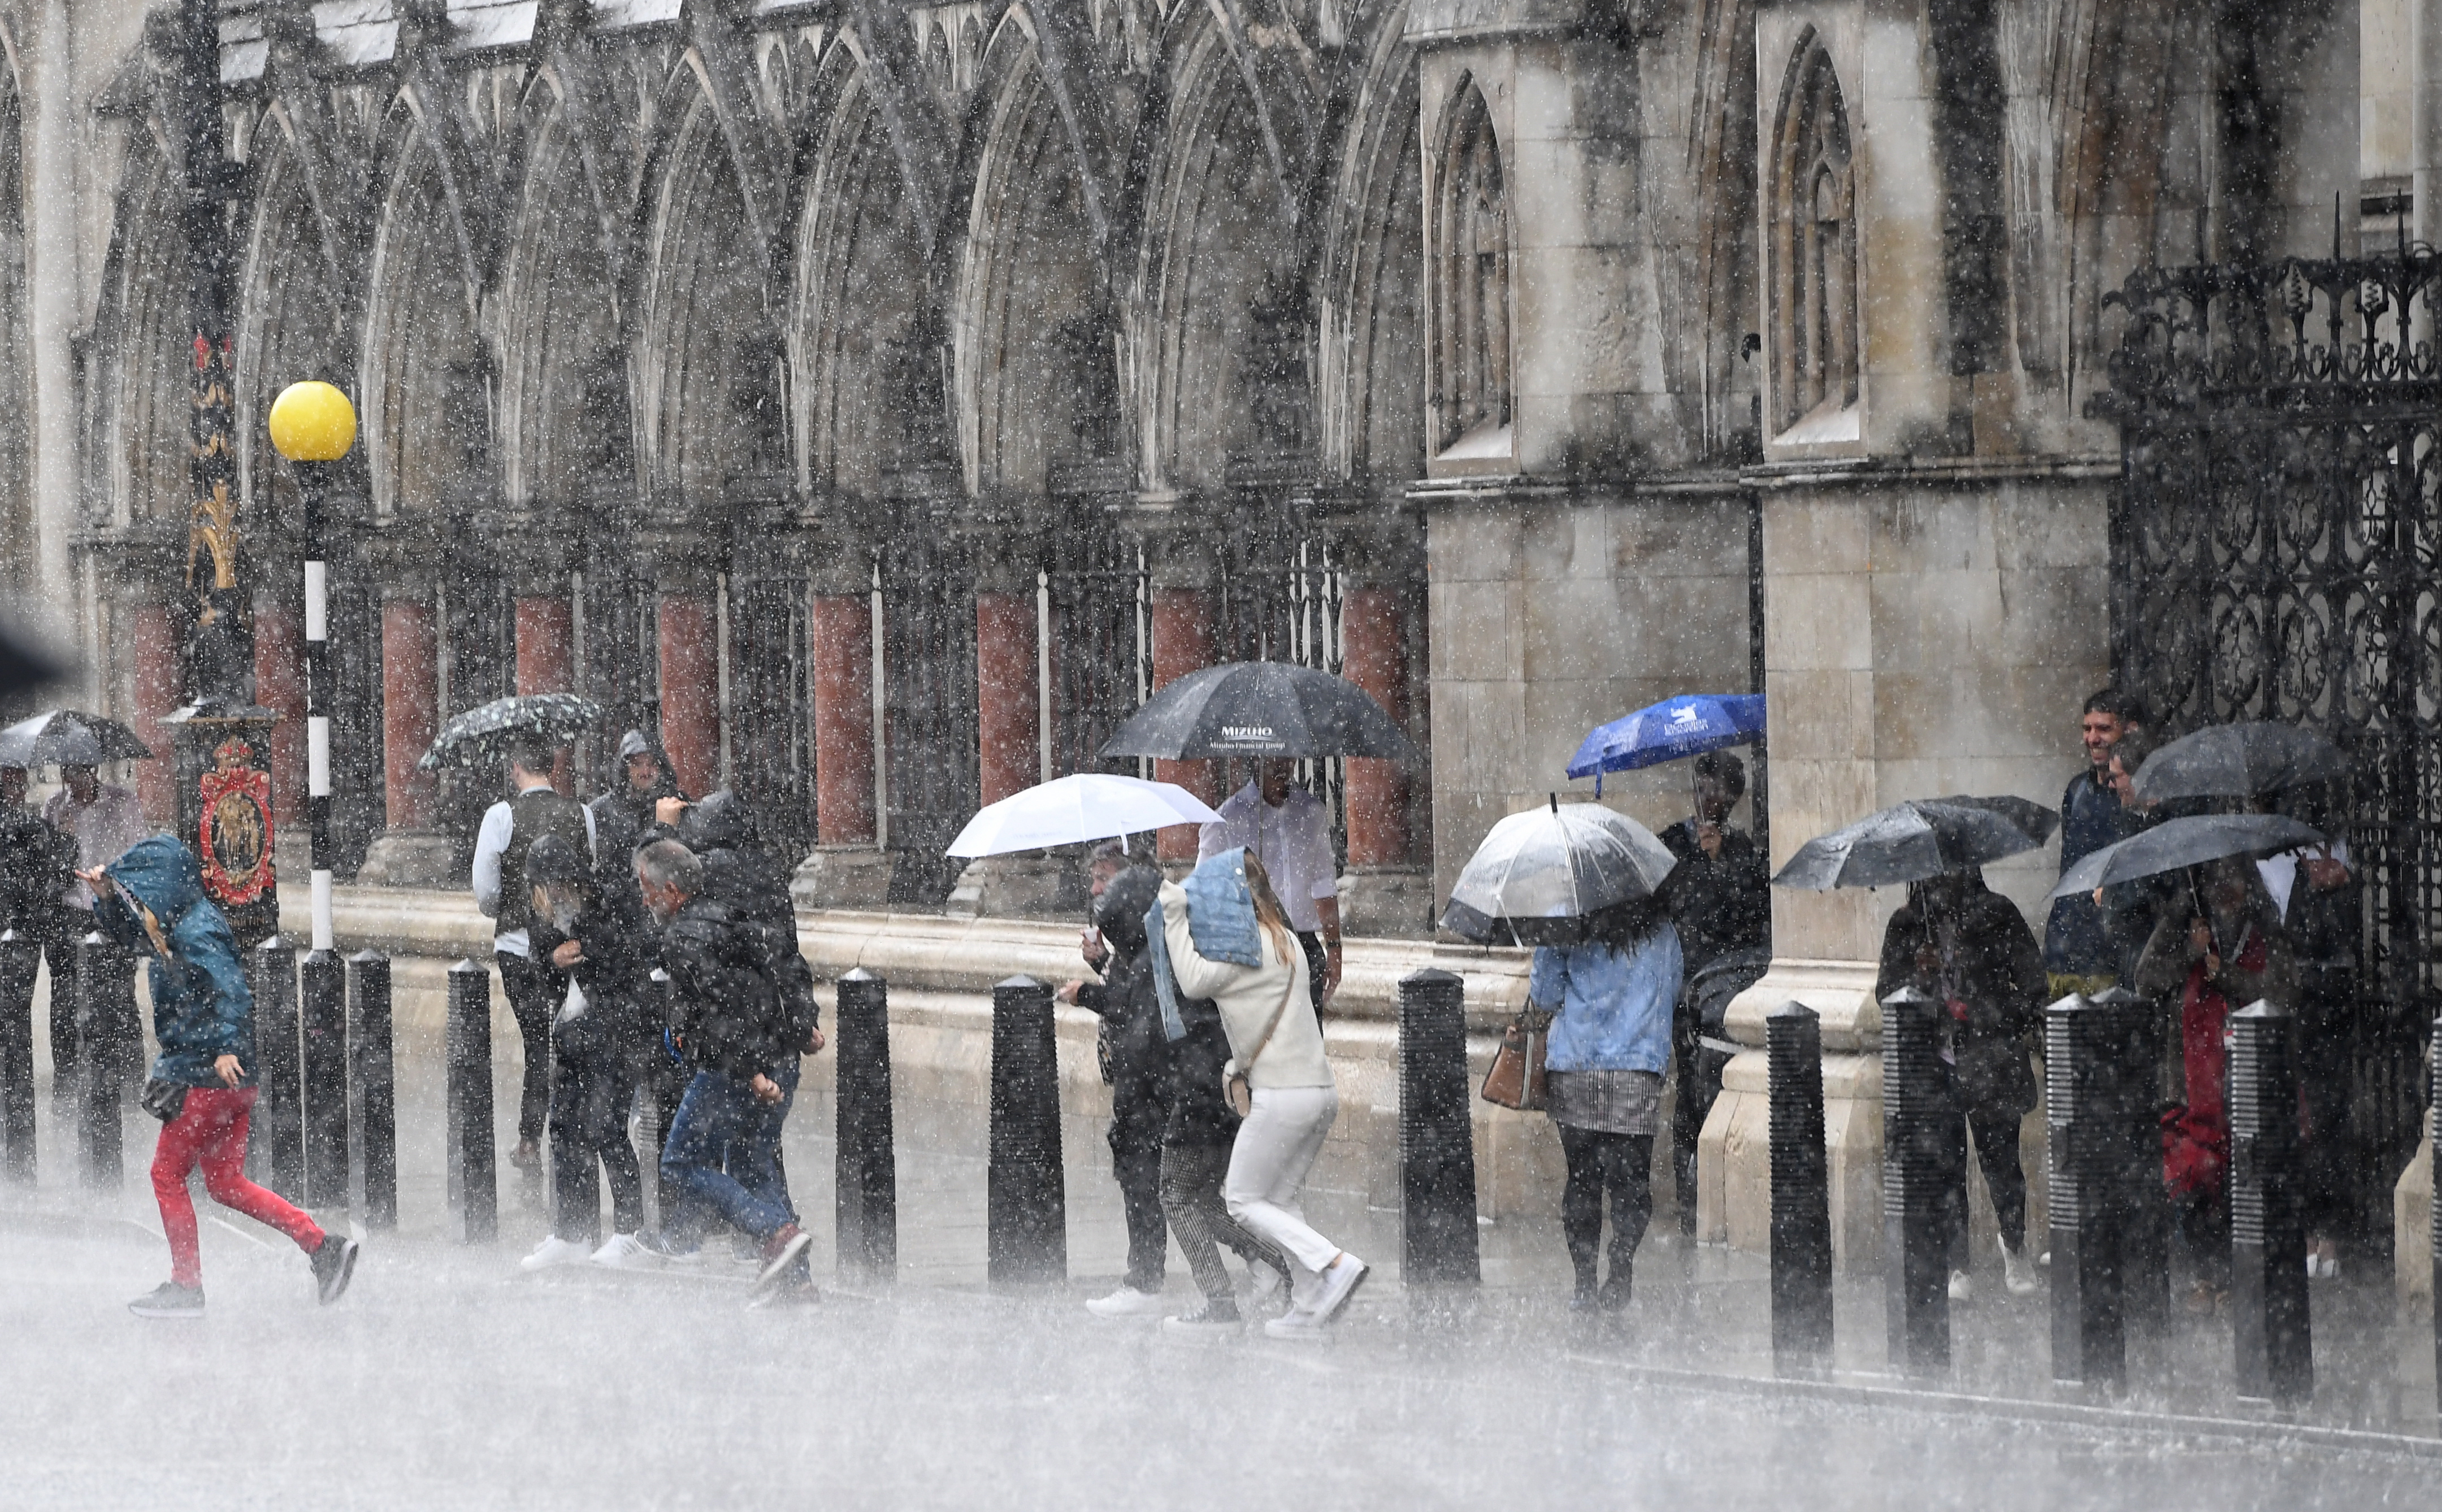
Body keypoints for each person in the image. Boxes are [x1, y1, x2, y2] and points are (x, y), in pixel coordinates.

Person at [80, 837, 358, 1318]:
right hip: (225, 1079)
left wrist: (227, 1047)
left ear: (165, 884)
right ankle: (322, 1247)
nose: (138, 899)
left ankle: (186, 1286)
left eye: (140, 889)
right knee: (226, 1183)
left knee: (165, 1175)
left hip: (207, 1073)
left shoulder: (195, 930)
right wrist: (107, 897)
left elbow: (231, 985)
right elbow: (131, 939)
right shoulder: (177, 922)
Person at [1156, 849, 1365, 1339]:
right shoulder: (1287, 939)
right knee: (1281, 1199)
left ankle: (1331, 1265)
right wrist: (1238, 1063)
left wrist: (1173, 913)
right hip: (1319, 1092)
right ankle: (1311, 1303)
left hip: (1282, 1097)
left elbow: (1190, 981)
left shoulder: (1244, 951)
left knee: (1243, 1201)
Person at [637, 838, 822, 1296]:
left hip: (732, 1068)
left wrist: (752, 1073)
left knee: (679, 1162)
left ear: (673, 891)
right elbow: (787, 960)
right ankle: (797, 1284)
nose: (645, 900)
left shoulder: (682, 937)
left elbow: (723, 1008)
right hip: (776, 1054)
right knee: (754, 1160)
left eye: (648, 890)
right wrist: (804, 1027)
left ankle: (775, 1235)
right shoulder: (731, 913)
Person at [1875, 867, 2046, 1301]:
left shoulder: (1996, 914)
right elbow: (1887, 994)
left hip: (1991, 1062)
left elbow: (2031, 986)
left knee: (2002, 1164)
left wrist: (1986, 1011)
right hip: (1937, 1065)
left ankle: (2014, 1244)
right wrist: (1921, 977)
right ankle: (1957, 1263)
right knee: (1946, 1168)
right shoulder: (1908, 924)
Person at [2137, 855, 2296, 1312]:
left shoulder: (2266, 925)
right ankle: (2204, 1275)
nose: (2229, 893)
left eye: (2237, 884)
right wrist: (2190, 949)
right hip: (2188, 1079)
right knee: (2192, 1183)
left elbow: (2283, 991)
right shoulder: (2181, 919)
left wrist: (2224, 975)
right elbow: (2145, 979)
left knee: (2239, 1182)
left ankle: (2237, 1277)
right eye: (2219, 883)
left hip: (2245, 1076)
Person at [1528, 897, 1682, 1311]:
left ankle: (1583, 1283)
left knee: (1582, 1178)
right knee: (1630, 1183)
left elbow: (1544, 994)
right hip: (1635, 1069)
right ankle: (1620, 1267)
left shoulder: (1566, 916)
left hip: (1575, 1065)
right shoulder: (1660, 928)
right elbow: (1671, 990)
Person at [519, 833, 660, 1271]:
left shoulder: (610, 901)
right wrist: (552, 962)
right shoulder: (542, 916)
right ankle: (572, 1233)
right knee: (563, 1129)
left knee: (606, 1129)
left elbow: (636, 956)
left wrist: (589, 952)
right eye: (547, 887)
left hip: (616, 1033)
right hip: (573, 1033)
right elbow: (540, 973)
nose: (554, 895)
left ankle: (629, 1232)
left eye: (558, 884)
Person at [472, 736, 595, 1194]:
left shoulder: (500, 816)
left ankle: (530, 1138)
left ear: (516, 766)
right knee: (566, 1035)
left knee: (537, 1041)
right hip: (570, 946)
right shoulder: (580, 813)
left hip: (518, 945)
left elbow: (485, 891)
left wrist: (511, 909)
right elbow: (590, 873)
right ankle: (568, 1131)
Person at [1654, 750, 1769, 1235]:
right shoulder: (1673, 845)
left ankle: (1722, 1202)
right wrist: (1697, 862)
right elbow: (1663, 906)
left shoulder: (1744, 852)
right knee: (1689, 1098)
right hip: (1684, 995)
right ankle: (1690, 1206)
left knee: (1722, 1089)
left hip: (1728, 995)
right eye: (1704, 790)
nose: (1711, 801)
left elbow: (1749, 916)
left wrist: (1721, 863)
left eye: (1721, 792)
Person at [1059, 844, 1176, 1316]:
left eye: (1104, 878)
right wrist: (1100, 962)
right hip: (1143, 1078)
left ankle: (1146, 1281)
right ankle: (1261, 1262)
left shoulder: (1156, 941)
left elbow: (1134, 1006)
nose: (1094, 889)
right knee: (1172, 1183)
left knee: (1161, 1180)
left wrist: (1088, 992)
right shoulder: (1141, 940)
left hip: (1150, 1081)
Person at [2259, 819, 2358, 1280]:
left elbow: (2347, 937)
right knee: (2292, 1128)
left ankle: (2328, 1234)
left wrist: (2340, 885)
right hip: (2289, 1012)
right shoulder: (2268, 860)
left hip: (2328, 1014)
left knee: (2329, 1126)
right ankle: (2301, 1234)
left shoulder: (2338, 854)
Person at [44, 761, 151, 1102]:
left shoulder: (123, 802)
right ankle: (68, 1080)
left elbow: (139, 853)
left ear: (93, 770)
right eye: (68, 772)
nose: (73, 780)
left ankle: (131, 1081)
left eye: (79, 771)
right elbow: (48, 865)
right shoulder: (54, 807)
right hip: (70, 912)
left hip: (113, 909)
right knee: (64, 999)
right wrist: (62, 836)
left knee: (121, 996)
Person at [1198, 759, 1342, 1007]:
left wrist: (1335, 948)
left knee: (1308, 1037)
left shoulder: (1311, 812)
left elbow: (1324, 884)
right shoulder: (1227, 819)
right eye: (1274, 757)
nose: (1281, 764)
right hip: (1255, 946)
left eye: (1288, 756)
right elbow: (1204, 891)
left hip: (1303, 943)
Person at [2045, 689, 2145, 999]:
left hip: (2111, 957)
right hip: (2064, 951)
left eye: (2104, 728)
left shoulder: (2133, 795)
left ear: (2130, 731)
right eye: (2087, 729)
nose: (2092, 738)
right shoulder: (2077, 790)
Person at [0, 766, 76, 1087]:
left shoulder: (32, 828)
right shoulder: (33, 828)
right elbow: (58, 877)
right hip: (23, 936)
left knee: (14, 1023)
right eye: (14, 781)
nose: (19, 787)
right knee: (16, 1025)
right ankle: (18, 1109)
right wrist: (66, 842)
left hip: (21, 935)